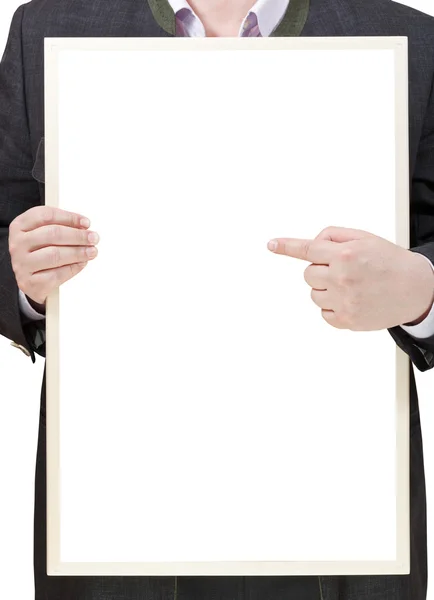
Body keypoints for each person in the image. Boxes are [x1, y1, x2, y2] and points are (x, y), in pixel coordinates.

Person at [0, 0, 434, 598]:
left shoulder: (407, 38)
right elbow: (4, 232)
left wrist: (421, 291)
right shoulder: (52, 27)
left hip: (338, 507)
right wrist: (26, 278)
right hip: (117, 505)